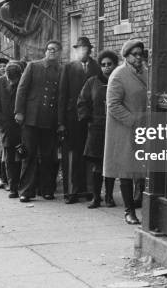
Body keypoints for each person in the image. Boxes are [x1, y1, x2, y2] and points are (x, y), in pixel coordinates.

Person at [104, 39, 148, 224]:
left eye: (140, 54)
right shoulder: (118, 75)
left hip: (145, 128)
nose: (138, 58)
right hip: (125, 129)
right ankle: (129, 211)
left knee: (144, 169)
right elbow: (113, 104)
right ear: (126, 57)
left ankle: (145, 208)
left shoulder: (147, 73)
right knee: (126, 171)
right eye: (134, 54)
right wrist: (133, 120)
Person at [15, 40, 62, 202]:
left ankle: (47, 190)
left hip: (50, 120)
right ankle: (26, 191)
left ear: (60, 52)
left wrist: (60, 121)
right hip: (31, 118)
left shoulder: (61, 70)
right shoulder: (33, 66)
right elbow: (22, 89)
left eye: (55, 50)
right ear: (45, 51)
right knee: (29, 155)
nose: (52, 52)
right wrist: (19, 111)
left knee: (48, 156)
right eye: (49, 49)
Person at [58, 36, 101, 204]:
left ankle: (89, 190)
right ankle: (72, 191)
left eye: (85, 48)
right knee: (73, 156)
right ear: (75, 50)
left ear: (90, 50)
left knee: (89, 154)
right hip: (72, 119)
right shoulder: (68, 68)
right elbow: (62, 95)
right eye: (79, 49)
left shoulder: (97, 67)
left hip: (91, 118)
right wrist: (61, 122)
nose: (82, 51)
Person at [77, 50, 118, 208]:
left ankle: (109, 196)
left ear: (115, 65)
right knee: (97, 165)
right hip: (97, 128)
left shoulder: (118, 80)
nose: (106, 67)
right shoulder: (92, 82)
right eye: (103, 65)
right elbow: (82, 101)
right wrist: (88, 119)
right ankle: (96, 197)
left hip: (115, 127)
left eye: (110, 64)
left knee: (111, 164)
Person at [0, 60, 24, 198]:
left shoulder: (24, 80)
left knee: (23, 154)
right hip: (6, 126)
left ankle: (24, 186)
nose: (13, 83)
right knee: (9, 157)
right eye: (11, 80)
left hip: (22, 125)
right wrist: (3, 122)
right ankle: (13, 187)